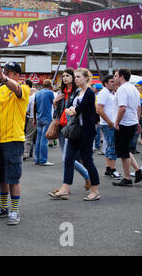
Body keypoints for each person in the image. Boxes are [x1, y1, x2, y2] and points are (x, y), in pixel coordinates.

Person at [0, 62, 30, 225]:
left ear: (17, 76)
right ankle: (3, 207)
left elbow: (17, 90)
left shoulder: (24, 89)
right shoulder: (1, 91)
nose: (4, 74)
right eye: (4, 72)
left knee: (13, 178)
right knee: (2, 178)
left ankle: (15, 210)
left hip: (14, 140)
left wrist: (4, 79)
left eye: (9, 73)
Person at [49, 68, 100, 201]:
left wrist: (73, 110)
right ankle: (65, 189)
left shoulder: (89, 93)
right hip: (75, 131)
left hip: (86, 132)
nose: (75, 78)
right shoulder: (78, 93)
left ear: (86, 78)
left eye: (78, 77)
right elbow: (68, 109)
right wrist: (70, 109)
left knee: (87, 160)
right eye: (75, 76)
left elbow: (77, 110)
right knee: (68, 158)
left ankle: (95, 190)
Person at [53, 68, 91, 191]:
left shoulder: (77, 92)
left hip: (73, 127)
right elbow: (57, 110)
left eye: (68, 75)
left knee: (67, 159)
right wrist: (54, 103)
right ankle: (67, 186)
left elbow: (77, 110)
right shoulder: (61, 92)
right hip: (61, 127)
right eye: (63, 76)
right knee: (67, 158)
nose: (65, 78)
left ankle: (85, 177)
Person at [112, 69, 142, 187]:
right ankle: (137, 171)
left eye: (115, 76)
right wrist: (137, 121)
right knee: (125, 149)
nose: (114, 78)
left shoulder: (122, 89)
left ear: (122, 76)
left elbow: (123, 108)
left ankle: (127, 178)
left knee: (123, 153)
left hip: (124, 124)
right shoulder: (134, 88)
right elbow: (138, 107)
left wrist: (116, 123)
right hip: (132, 122)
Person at [96, 75, 122, 179]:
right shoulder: (104, 93)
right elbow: (99, 109)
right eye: (112, 81)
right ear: (106, 83)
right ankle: (112, 170)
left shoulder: (111, 93)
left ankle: (108, 169)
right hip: (108, 124)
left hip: (110, 123)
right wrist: (110, 122)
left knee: (110, 146)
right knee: (112, 146)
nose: (114, 83)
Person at [33, 79, 55, 166]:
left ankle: (37, 159)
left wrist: (34, 118)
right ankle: (43, 160)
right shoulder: (50, 93)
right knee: (44, 140)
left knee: (38, 139)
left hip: (39, 117)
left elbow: (34, 106)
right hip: (47, 117)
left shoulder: (37, 93)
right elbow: (54, 103)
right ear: (50, 85)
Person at [23, 86, 37, 160]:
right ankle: (38, 155)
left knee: (29, 137)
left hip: (32, 118)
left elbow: (26, 110)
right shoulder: (39, 96)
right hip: (41, 118)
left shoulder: (30, 98)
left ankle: (26, 153)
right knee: (38, 138)